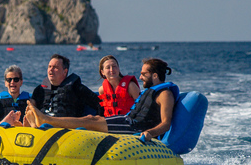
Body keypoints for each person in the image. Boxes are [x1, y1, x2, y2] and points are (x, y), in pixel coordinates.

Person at [25, 58, 177, 142]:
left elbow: (166, 123)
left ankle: (46, 120)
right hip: (128, 121)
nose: (140, 77)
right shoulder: (151, 92)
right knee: (93, 119)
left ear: (155, 76)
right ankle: (45, 121)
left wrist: (149, 133)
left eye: (144, 74)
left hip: (136, 127)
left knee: (91, 120)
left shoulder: (165, 94)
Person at [30, 54, 100, 118]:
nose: (51, 70)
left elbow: (99, 104)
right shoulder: (39, 90)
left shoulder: (77, 88)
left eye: (55, 67)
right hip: (42, 126)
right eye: (49, 66)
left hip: (68, 127)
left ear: (65, 72)